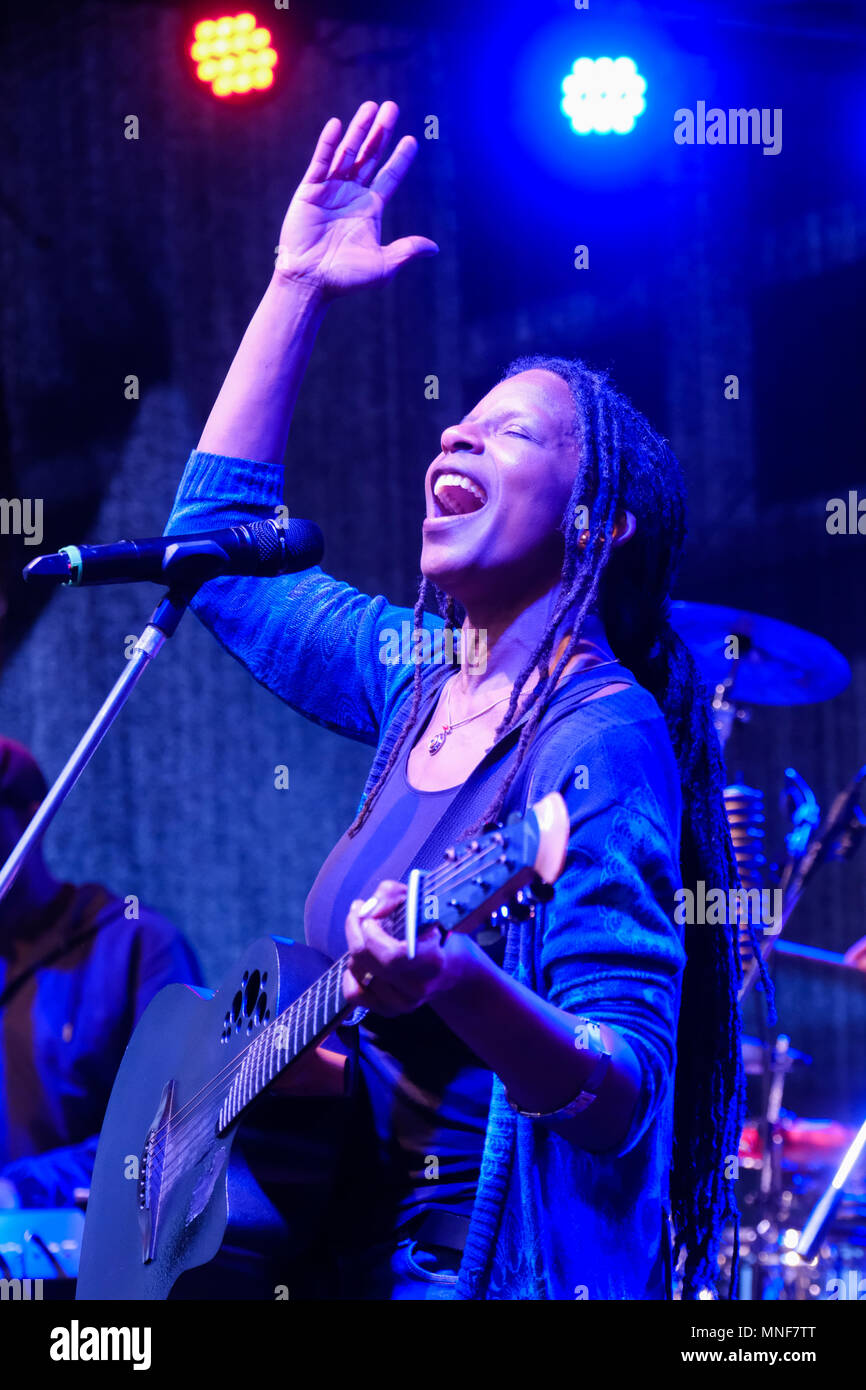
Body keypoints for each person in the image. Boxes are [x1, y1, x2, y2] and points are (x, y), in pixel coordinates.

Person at [164, 100, 748, 1299]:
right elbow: (213, 552)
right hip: (336, 1242)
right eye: (458, 419)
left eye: (509, 433)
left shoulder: (602, 741)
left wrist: (459, 980)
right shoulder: (415, 674)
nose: (455, 432)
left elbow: (620, 1092)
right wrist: (297, 287)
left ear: (600, 520)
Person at [0, 736, 202, 1209]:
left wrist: (19, 1189)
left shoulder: (137, 944)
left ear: (32, 817)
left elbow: (173, 1128)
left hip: (88, 1258)